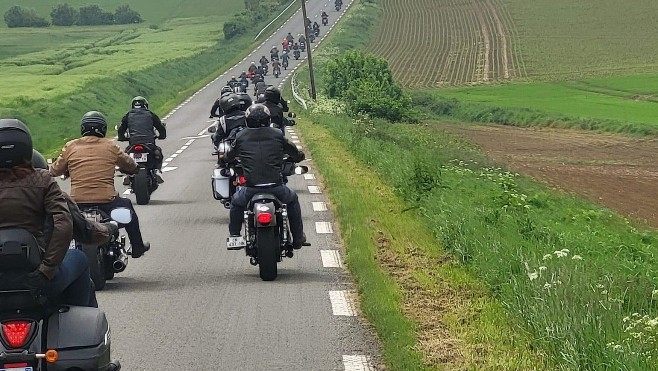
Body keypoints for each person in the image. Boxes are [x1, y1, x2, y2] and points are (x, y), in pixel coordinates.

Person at [0, 118, 96, 307]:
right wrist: (46, 270)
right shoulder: (43, 179)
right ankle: (76, 325)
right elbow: (63, 224)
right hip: (41, 279)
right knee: (80, 259)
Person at [50, 111, 151, 259]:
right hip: (107, 202)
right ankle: (137, 247)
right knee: (127, 207)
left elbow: (54, 170)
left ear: (82, 128)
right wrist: (134, 169)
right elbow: (129, 164)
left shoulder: (71, 146)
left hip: (77, 204)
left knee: (58, 223)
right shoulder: (110, 146)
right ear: (103, 129)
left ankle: (55, 256)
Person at [225, 104, 308, 249]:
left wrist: (227, 159)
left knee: (236, 203)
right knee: (293, 200)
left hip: (251, 188)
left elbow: (229, 156)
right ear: (268, 118)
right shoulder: (277, 134)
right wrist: (299, 156)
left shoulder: (240, 136)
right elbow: (293, 151)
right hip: (276, 187)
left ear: (247, 120)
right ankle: (298, 238)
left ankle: (235, 237)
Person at [118, 96, 167, 184]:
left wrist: (121, 137)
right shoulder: (150, 114)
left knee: (125, 155)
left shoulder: (128, 115)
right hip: (149, 144)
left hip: (133, 143)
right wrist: (162, 136)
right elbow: (160, 127)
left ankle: (127, 175)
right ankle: (157, 170)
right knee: (158, 153)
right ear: (145, 105)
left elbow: (121, 129)